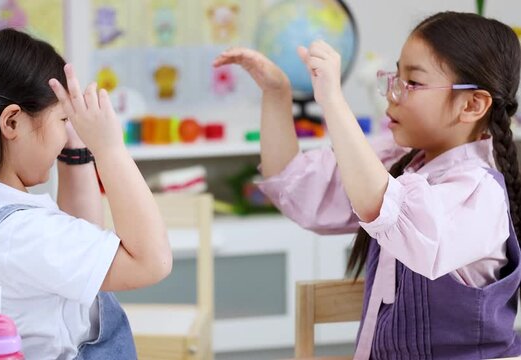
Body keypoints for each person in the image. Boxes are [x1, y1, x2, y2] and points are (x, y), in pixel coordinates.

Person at [215, 11, 521, 359]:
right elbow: (301, 188)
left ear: (472, 104)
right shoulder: (401, 162)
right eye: (395, 77)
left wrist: (332, 100)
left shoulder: (479, 193)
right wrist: (276, 94)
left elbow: (396, 214)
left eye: (413, 83)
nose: (393, 95)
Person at [0, 28, 172, 359]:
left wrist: (77, 152)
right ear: (11, 122)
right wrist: (110, 148)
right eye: (63, 119)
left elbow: (83, 238)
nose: (68, 133)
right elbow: (151, 262)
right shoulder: (24, 234)